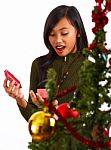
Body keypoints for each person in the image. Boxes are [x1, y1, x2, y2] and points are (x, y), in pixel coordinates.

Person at [3, 5, 88, 149]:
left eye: (64, 33)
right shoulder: (39, 65)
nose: (57, 40)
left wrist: (53, 113)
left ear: (78, 32)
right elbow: (34, 117)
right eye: (52, 34)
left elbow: (84, 119)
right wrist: (20, 99)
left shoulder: (89, 68)